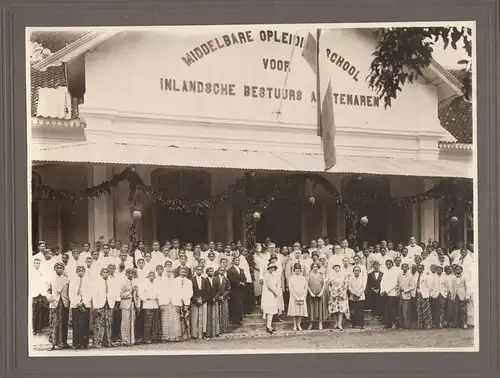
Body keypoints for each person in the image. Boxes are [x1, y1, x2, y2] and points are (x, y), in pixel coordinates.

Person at [46, 262, 70, 350]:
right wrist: (49, 297)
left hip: (64, 303)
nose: (59, 269)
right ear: (54, 269)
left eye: (60, 268)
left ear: (63, 269)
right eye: (57, 268)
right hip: (54, 303)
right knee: (53, 323)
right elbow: (48, 291)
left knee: (64, 322)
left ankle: (64, 342)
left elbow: (69, 292)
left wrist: (69, 301)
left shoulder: (67, 280)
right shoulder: (51, 279)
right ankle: (53, 343)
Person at [91, 267, 116, 348]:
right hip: (100, 305)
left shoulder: (111, 282)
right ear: (101, 274)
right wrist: (95, 306)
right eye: (104, 272)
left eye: (107, 272)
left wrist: (112, 303)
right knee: (99, 323)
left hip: (108, 305)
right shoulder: (97, 282)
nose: (105, 274)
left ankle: (108, 341)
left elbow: (113, 294)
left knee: (108, 323)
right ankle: (97, 342)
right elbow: (94, 295)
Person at [69, 265, 91, 349]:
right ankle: (76, 343)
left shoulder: (88, 281)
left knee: (84, 324)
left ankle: (84, 343)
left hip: (85, 304)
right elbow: (71, 293)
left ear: (84, 272)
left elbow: (90, 293)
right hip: (76, 305)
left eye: (82, 271)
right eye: (79, 271)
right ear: (76, 272)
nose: (81, 272)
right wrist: (77, 303)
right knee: (76, 324)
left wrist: (84, 302)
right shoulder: (73, 281)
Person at [327, 264, 349, 330]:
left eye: (337, 268)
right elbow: (329, 286)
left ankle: (340, 324)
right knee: (334, 310)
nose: (336, 269)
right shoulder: (331, 277)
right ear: (333, 269)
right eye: (335, 268)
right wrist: (332, 293)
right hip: (334, 295)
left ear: (339, 268)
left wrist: (342, 293)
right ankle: (336, 323)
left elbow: (346, 285)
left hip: (342, 295)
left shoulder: (343, 276)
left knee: (341, 310)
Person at [306, 262, 328, 330]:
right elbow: (307, 285)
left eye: (316, 267)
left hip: (320, 294)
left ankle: (320, 323)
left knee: (320, 309)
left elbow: (324, 284)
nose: (315, 268)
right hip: (312, 294)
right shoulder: (309, 275)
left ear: (318, 268)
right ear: (312, 268)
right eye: (314, 267)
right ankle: (311, 324)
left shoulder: (321, 275)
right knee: (312, 309)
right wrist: (310, 293)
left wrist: (321, 292)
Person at [139, 271, 159, 343]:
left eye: (153, 275)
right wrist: (146, 298)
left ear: (154, 277)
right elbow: (140, 294)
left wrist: (157, 297)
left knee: (155, 322)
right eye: (150, 275)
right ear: (148, 276)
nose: (152, 277)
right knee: (147, 323)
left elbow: (158, 293)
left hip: (155, 305)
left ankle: (154, 338)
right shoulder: (144, 285)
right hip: (147, 305)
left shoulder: (156, 284)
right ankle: (146, 338)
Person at [287, 263, 308, 331]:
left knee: (300, 311)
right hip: (294, 297)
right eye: (296, 269)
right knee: (294, 311)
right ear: (294, 270)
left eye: (299, 270)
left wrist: (303, 296)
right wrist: (296, 296)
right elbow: (291, 288)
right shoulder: (291, 278)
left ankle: (299, 324)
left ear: (300, 270)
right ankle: (295, 325)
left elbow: (305, 287)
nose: (297, 271)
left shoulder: (303, 278)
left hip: (301, 297)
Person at [119, 268, 137, 346]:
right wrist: (130, 291)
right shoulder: (123, 283)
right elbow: (121, 295)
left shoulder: (134, 282)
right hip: (125, 304)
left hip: (133, 304)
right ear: (126, 274)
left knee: (132, 322)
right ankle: (125, 340)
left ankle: (131, 340)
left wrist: (137, 305)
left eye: (132, 273)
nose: (130, 275)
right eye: (129, 273)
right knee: (125, 323)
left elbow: (137, 295)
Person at [191, 265, 209, 339]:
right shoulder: (192, 280)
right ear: (195, 270)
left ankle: (202, 333)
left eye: (200, 269)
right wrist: (196, 300)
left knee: (203, 317)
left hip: (203, 301)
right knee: (194, 318)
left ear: (202, 271)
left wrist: (202, 300)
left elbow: (207, 291)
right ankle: (194, 334)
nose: (199, 271)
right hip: (194, 301)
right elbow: (190, 291)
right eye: (198, 269)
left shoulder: (205, 280)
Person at [227, 256, 246, 326]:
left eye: (238, 260)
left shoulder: (241, 270)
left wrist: (244, 282)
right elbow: (231, 278)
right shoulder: (230, 270)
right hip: (234, 289)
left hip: (240, 289)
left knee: (239, 304)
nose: (237, 261)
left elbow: (244, 278)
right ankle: (234, 319)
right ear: (233, 261)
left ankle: (239, 318)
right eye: (236, 260)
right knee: (235, 304)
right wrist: (239, 283)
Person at [261, 262, 280, 334]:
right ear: (268, 268)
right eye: (271, 268)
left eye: (273, 268)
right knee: (269, 310)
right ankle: (268, 327)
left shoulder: (272, 275)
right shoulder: (267, 275)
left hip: (271, 294)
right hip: (268, 294)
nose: (272, 269)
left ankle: (269, 326)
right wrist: (275, 292)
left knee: (271, 311)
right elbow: (269, 286)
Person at [380, 259, 399, 329]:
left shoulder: (395, 271)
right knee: (386, 309)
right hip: (385, 293)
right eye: (387, 264)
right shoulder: (385, 271)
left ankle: (394, 323)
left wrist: (387, 291)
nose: (388, 265)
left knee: (392, 309)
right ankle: (388, 324)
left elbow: (395, 283)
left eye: (389, 264)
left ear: (392, 264)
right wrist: (382, 290)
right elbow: (382, 281)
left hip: (392, 293)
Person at [31, 258, 48, 335]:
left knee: (40, 311)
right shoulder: (31, 273)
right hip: (34, 294)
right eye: (36, 263)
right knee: (35, 312)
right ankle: (34, 328)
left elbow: (44, 282)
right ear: (33, 264)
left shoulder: (42, 272)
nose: (37, 264)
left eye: (38, 263)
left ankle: (39, 328)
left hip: (41, 293)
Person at [412, 264, 432, 330]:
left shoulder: (426, 276)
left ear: (423, 269)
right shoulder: (415, 277)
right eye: (418, 268)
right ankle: (420, 324)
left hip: (424, 294)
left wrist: (428, 294)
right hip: (418, 294)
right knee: (418, 309)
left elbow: (429, 286)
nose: (419, 270)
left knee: (426, 310)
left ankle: (428, 324)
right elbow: (413, 286)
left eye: (421, 268)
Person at [397, 263, 414, 329]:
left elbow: (412, 286)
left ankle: (407, 325)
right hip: (400, 295)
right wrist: (398, 290)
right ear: (401, 268)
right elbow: (397, 284)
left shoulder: (410, 276)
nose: (404, 268)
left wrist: (405, 290)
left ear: (408, 268)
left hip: (406, 295)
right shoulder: (399, 276)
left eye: (405, 267)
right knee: (400, 310)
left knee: (406, 311)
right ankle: (401, 325)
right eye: (403, 267)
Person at [454, 265, 471, 329]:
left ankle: (464, 323)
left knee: (463, 310)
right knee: (457, 310)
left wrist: (467, 296)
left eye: (459, 269)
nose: (458, 271)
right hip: (456, 295)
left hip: (462, 295)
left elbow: (467, 287)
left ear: (461, 270)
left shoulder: (464, 277)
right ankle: (458, 323)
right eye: (456, 270)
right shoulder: (454, 277)